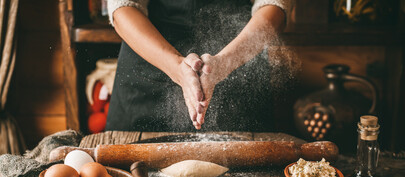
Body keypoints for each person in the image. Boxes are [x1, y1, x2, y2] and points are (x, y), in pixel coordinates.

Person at [106, 0, 292, 132]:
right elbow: (122, 6)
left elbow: (275, 5)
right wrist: (176, 66)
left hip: (238, 55)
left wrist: (224, 63)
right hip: (150, 62)